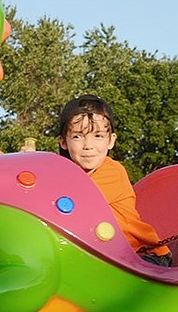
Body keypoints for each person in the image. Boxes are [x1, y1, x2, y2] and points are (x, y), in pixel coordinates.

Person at [57, 95, 171, 266]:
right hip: (107, 257)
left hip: (143, 255)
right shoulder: (68, 175)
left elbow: (74, 203)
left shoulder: (112, 172)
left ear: (111, 141)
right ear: (63, 142)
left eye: (98, 136)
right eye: (78, 137)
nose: (88, 145)